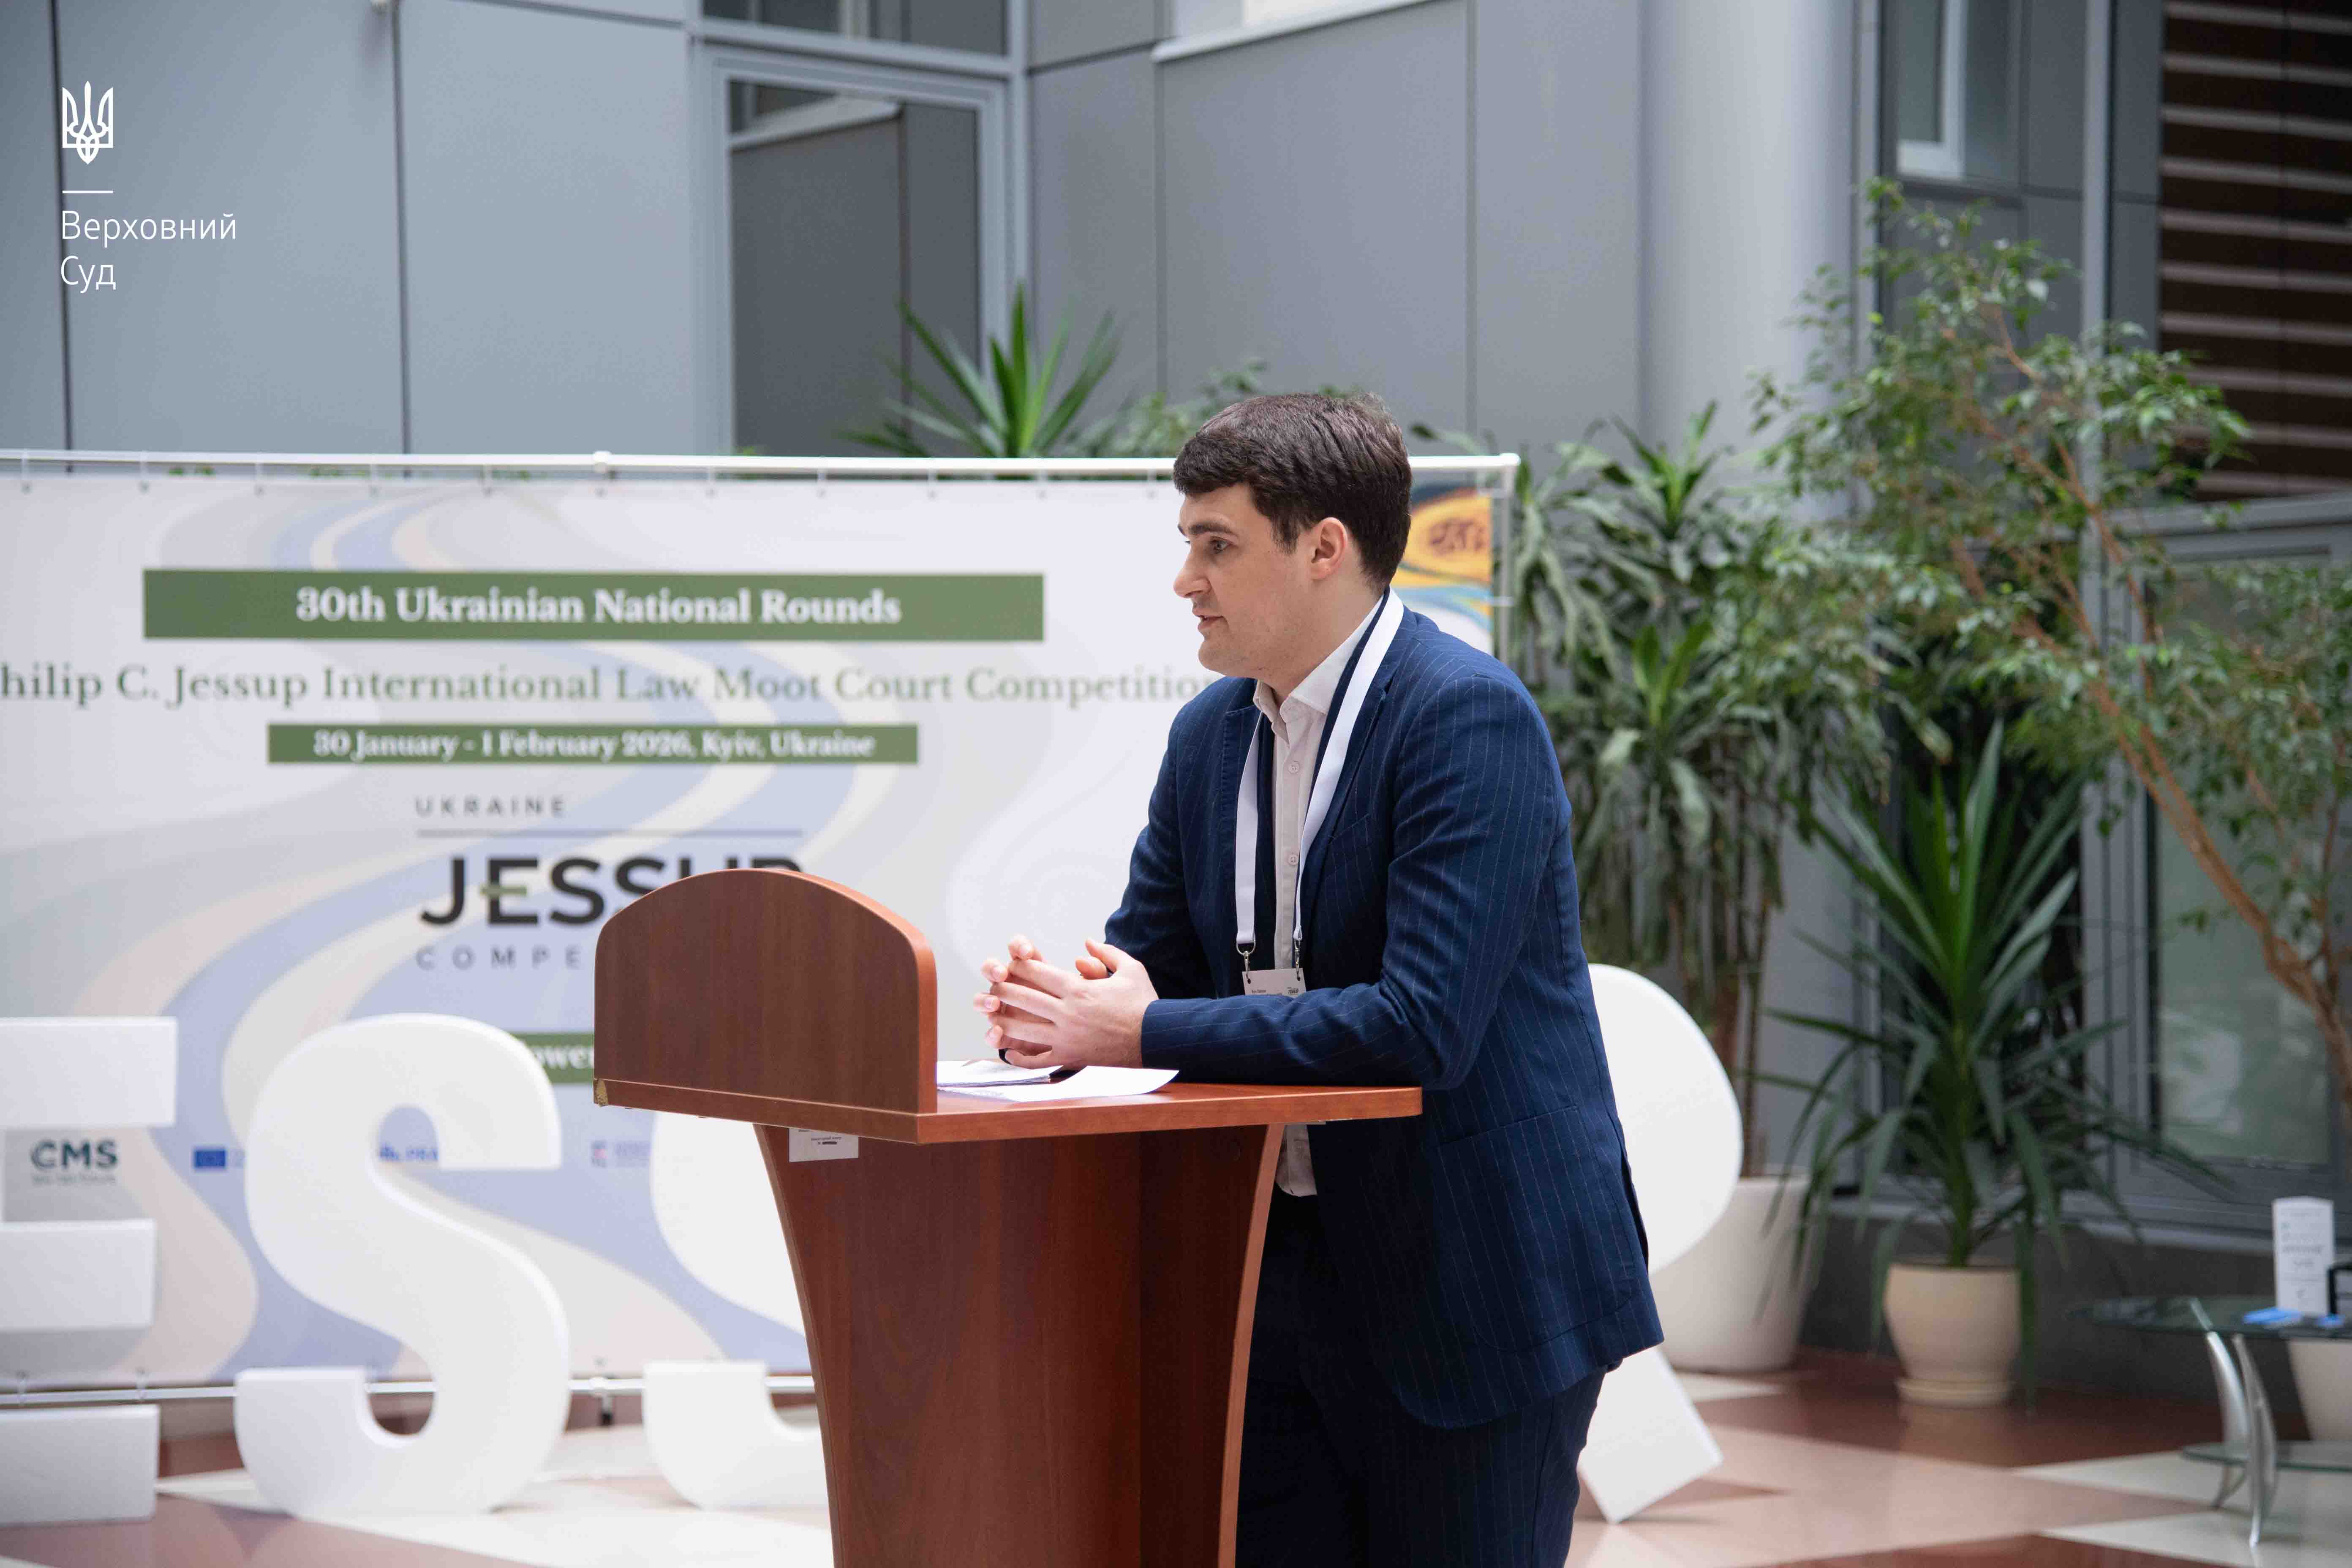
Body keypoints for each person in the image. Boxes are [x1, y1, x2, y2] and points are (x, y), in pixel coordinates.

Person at [973, 392, 1658, 1566]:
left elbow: (1420, 1028)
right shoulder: (1210, 737)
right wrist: (1065, 1005)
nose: (1185, 580)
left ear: (1324, 548)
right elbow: (1157, 965)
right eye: (1188, 543)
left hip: (1470, 1284)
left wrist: (1137, 1029)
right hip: (1271, 1271)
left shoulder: (1464, 718)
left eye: (1217, 544)